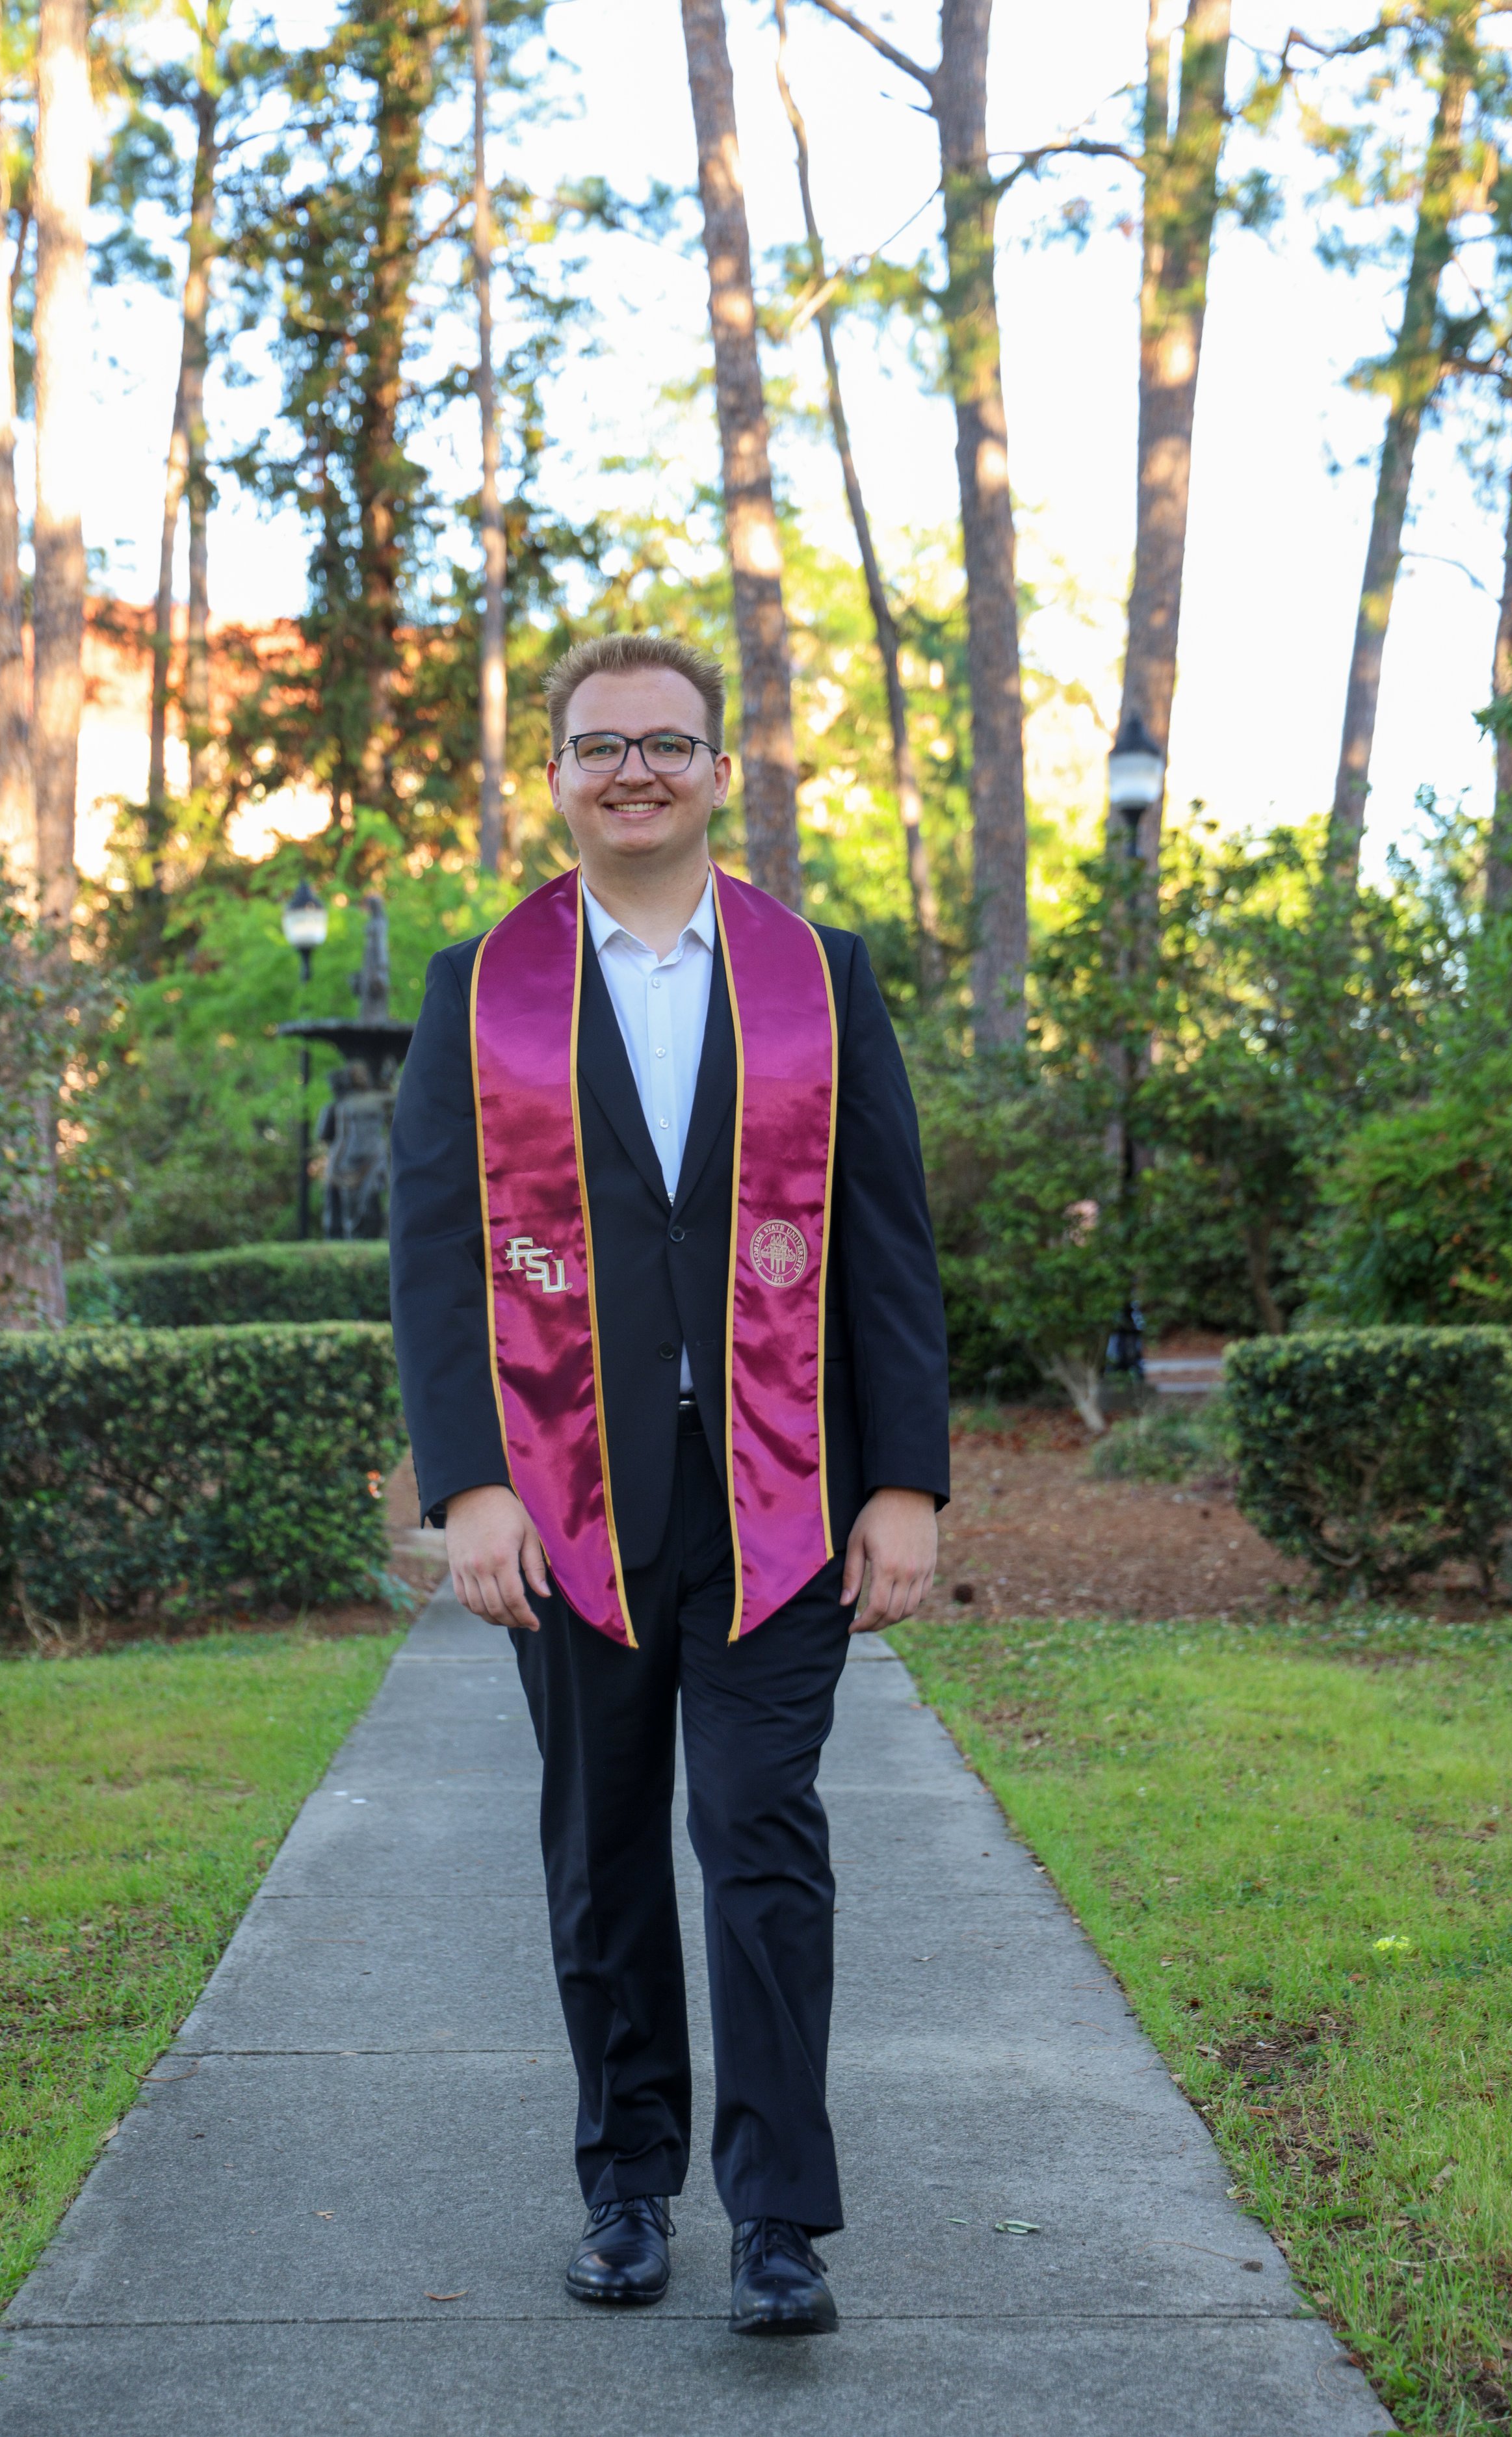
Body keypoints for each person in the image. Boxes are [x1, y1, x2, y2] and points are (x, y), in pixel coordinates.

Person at [389, 633, 948, 2336]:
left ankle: (778, 2216)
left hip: (783, 1492)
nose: (632, 767)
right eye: (597, 742)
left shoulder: (816, 975)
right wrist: (469, 1482)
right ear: (551, 774)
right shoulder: (477, 986)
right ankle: (624, 2183)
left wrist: (906, 1479)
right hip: (565, 1504)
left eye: (666, 742)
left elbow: (883, 1243)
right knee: (603, 1844)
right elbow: (435, 1258)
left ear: (722, 772)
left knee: (760, 1836)